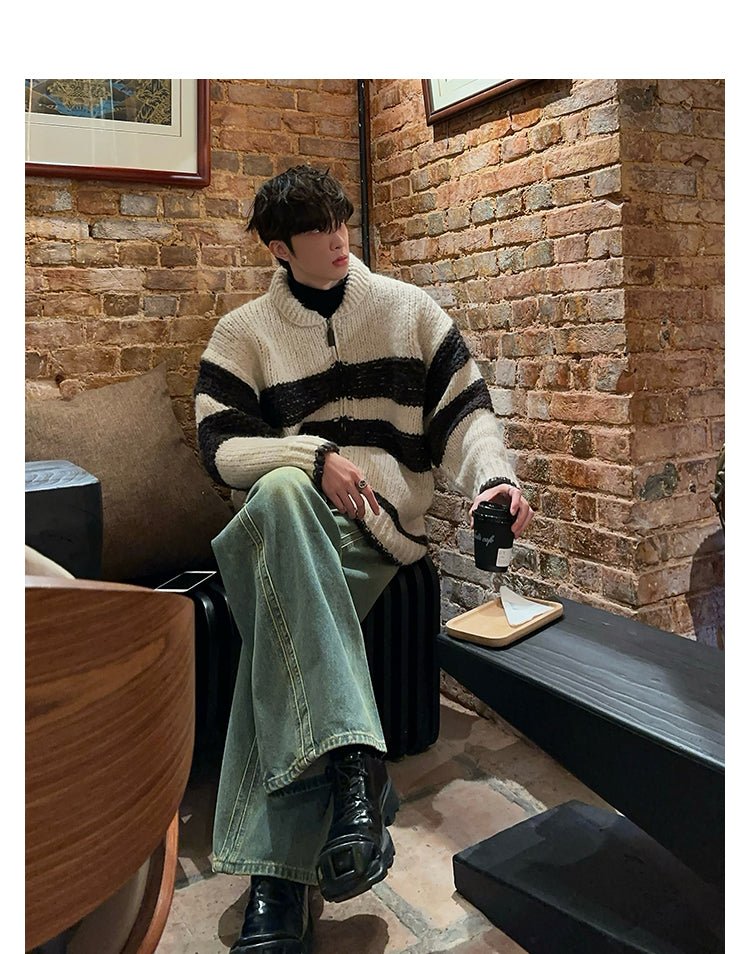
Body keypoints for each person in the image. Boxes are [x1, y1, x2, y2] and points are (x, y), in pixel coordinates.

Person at [194, 164, 534, 954]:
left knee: (276, 632)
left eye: (340, 221)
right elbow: (220, 451)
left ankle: (278, 885)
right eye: (315, 229)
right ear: (279, 248)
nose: (337, 238)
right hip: (289, 525)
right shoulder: (243, 333)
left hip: (374, 536)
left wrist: (495, 477)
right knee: (282, 494)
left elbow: (468, 415)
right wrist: (310, 459)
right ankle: (353, 761)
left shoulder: (408, 311)